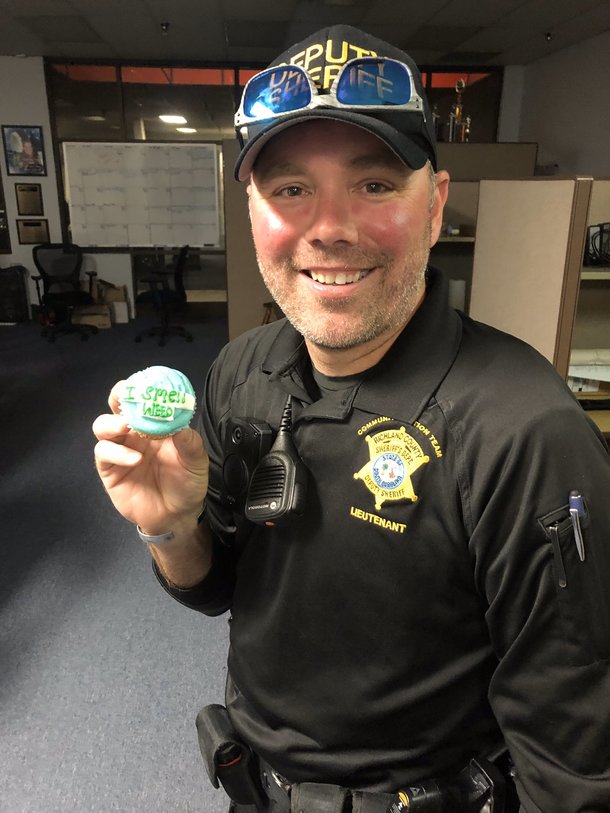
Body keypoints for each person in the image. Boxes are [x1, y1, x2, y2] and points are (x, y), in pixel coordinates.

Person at [93, 25, 610, 813]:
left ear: (434, 205)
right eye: (291, 189)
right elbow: (219, 587)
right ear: (253, 210)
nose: (328, 227)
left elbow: (573, 761)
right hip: (255, 788)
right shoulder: (243, 368)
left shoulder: (523, 429)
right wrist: (172, 529)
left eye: (373, 185)